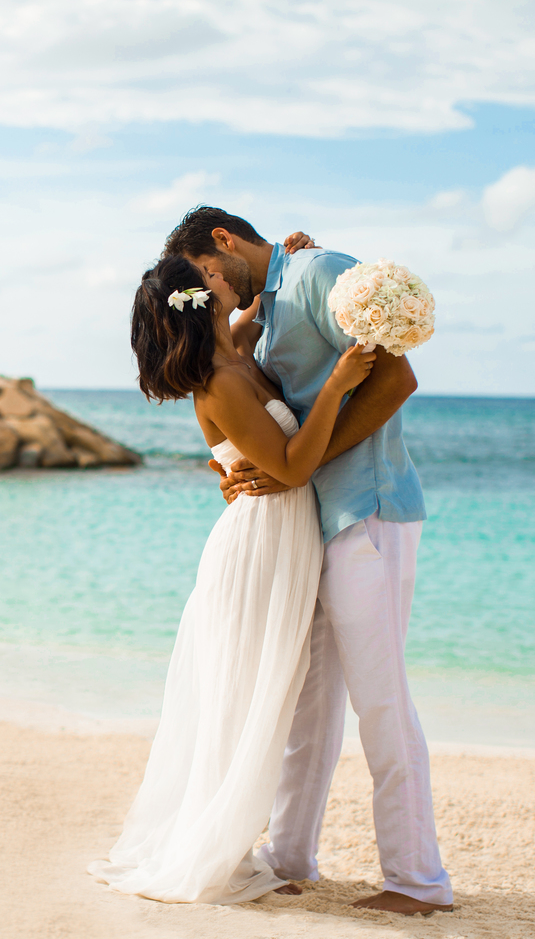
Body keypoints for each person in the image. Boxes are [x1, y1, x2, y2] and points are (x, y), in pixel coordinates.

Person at [163, 206, 452, 914]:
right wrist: (230, 467)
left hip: (366, 511)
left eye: (203, 274)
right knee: (307, 705)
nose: (204, 290)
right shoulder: (261, 309)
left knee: (380, 700)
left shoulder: (322, 273)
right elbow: (239, 409)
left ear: (222, 244)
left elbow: (395, 381)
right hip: (307, 528)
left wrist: (301, 464)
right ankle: (289, 858)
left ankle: (417, 881)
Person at [88, 254, 375, 904]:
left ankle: (236, 840)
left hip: (281, 538)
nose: (223, 272)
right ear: (202, 296)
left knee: (258, 695)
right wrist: (338, 384)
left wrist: (289, 257)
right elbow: (293, 467)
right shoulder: (219, 380)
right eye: (210, 274)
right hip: (259, 545)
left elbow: (251, 318)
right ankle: (221, 850)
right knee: (243, 697)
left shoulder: (237, 349)